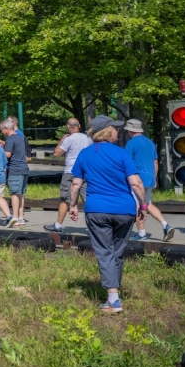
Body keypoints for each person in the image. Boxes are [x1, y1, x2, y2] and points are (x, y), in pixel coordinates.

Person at [69, 116, 148, 313]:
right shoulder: (121, 154)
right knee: (117, 252)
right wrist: (143, 206)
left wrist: (72, 205)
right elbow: (136, 183)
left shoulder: (85, 154)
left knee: (104, 251)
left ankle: (113, 299)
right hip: (124, 210)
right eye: (115, 128)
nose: (117, 131)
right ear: (107, 131)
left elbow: (76, 183)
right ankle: (114, 293)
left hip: (97, 210)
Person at [124, 119, 175, 242]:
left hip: (137, 179)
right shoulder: (150, 143)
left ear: (130, 131)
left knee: (137, 204)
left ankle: (142, 233)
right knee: (148, 204)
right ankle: (165, 225)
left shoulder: (131, 144)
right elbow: (155, 162)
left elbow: (127, 162)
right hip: (150, 178)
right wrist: (155, 178)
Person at [44, 118, 93, 232]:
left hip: (71, 171)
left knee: (65, 198)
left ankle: (58, 225)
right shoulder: (88, 138)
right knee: (88, 199)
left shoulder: (69, 139)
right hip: (86, 171)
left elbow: (56, 154)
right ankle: (92, 226)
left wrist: (61, 140)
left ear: (68, 127)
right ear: (79, 126)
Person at [0, 119, 29, 227]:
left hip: (15, 169)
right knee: (20, 194)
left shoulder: (10, 139)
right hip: (24, 168)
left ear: (6, 129)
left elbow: (7, 154)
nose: (2, 132)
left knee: (14, 194)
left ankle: (15, 218)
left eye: (2, 130)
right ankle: (21, 218)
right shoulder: (19, 137)